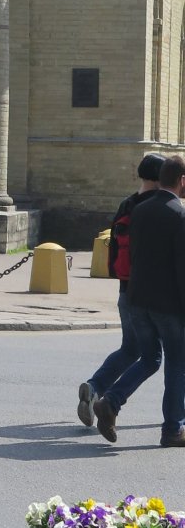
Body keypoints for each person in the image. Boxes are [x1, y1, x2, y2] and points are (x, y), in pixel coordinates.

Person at [93, 154, 185, 447]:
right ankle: (173, 429)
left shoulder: (140, 209)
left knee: (148, 358)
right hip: (168, 304)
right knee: (176, 364)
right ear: (181, 181)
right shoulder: (179, 215)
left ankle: (111, 401)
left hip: (136, 299)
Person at [76, 153, 164, 429]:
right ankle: (114, 401)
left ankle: (95, 386)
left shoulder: (126, 204)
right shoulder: (156, 208)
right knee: (157, 356)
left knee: (130, 348)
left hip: (125, 291)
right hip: (153, 295)